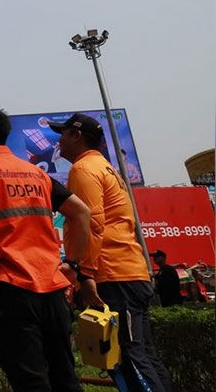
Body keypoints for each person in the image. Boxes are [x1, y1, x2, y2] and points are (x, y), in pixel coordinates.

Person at [0, 106, 93, 392]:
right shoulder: (37, 174)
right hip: (53, 289)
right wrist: (73, 263)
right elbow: (82, 213)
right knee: (65, 378)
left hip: (10, 289)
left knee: (30, 381)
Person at [52, 113, 172, 392]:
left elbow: (91, 223)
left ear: (77, 136)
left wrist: (87, 274)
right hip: (131, 273)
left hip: (113, 275)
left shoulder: (83, 170)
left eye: (64, 133)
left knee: (128, 357)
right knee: (143, 354)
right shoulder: (106, 168)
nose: (59, 140)